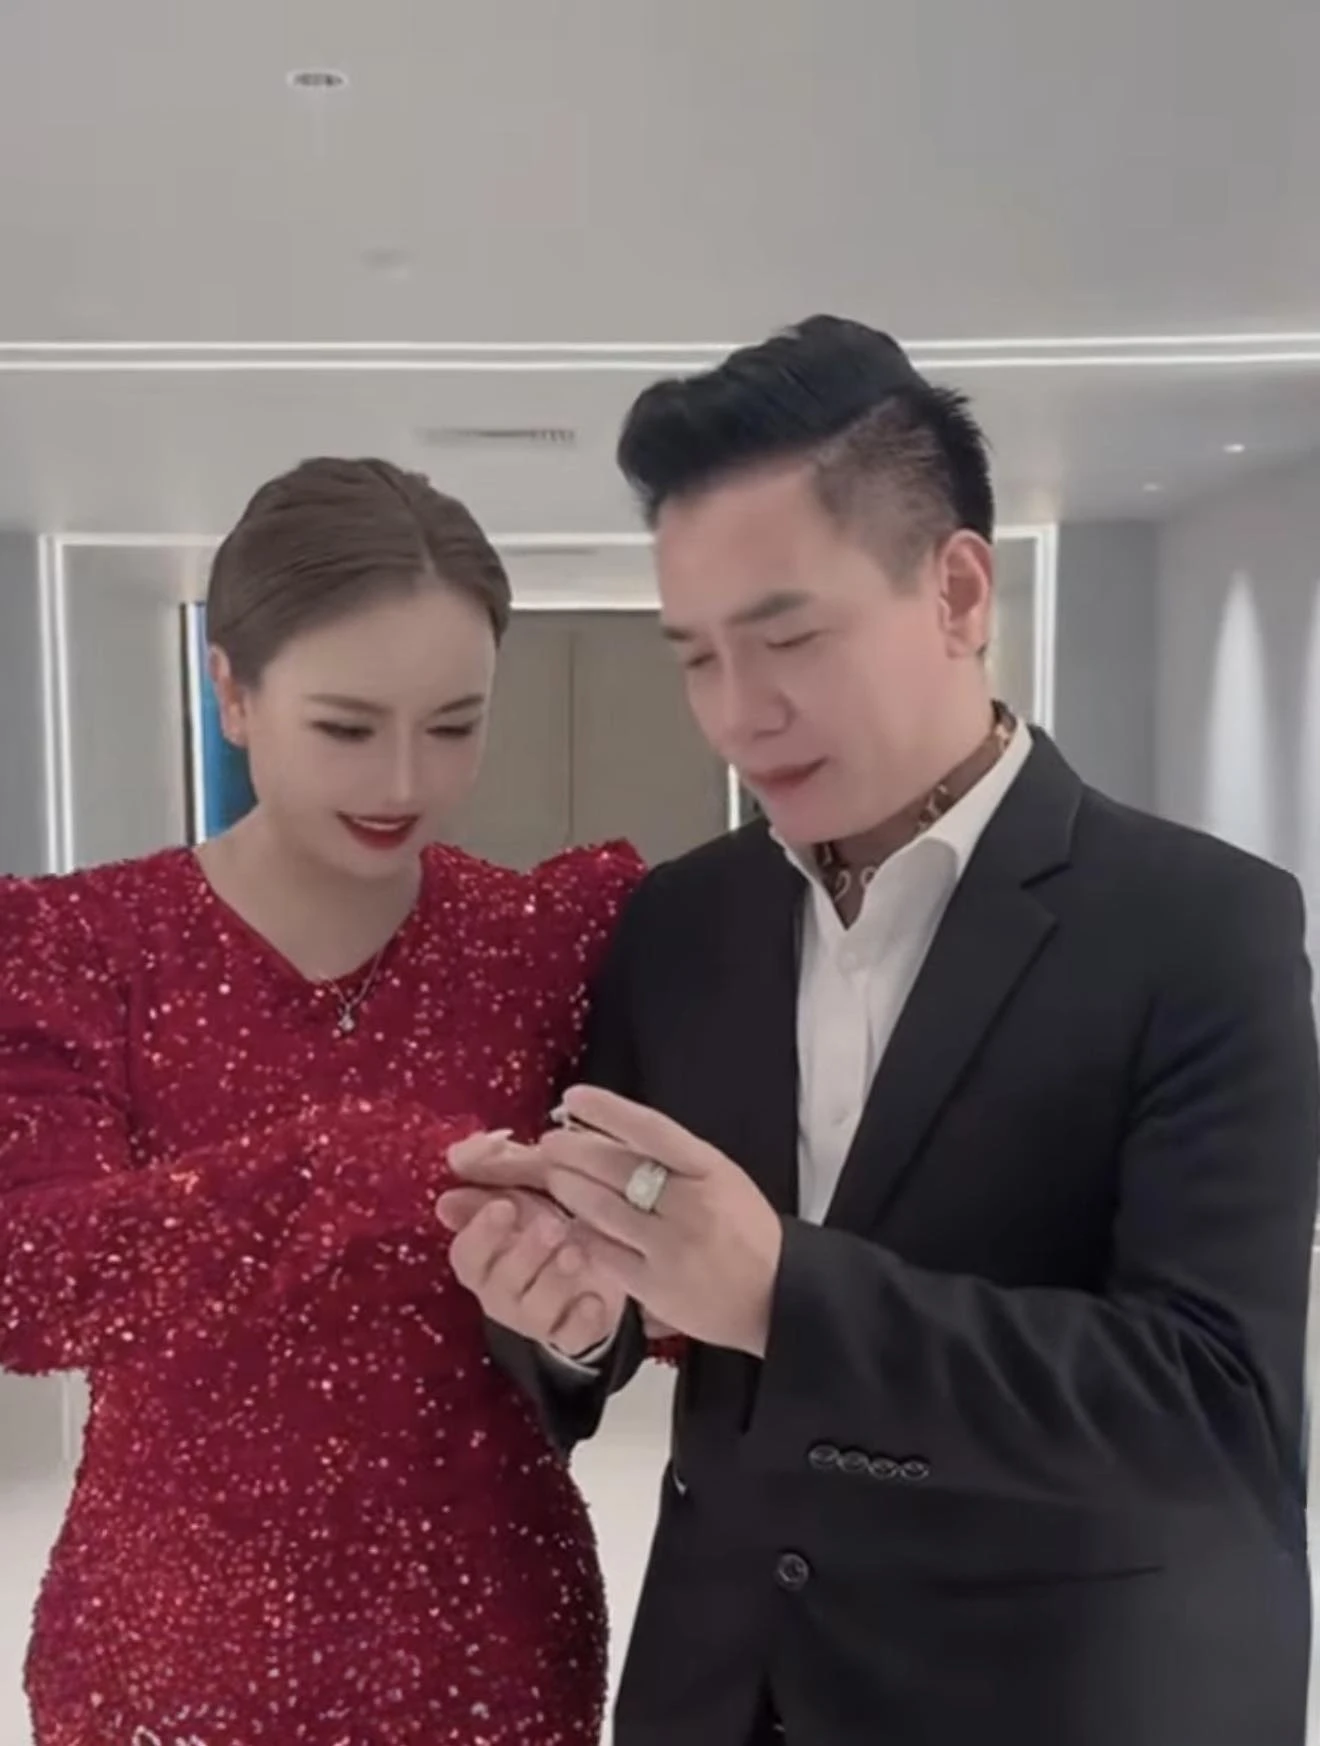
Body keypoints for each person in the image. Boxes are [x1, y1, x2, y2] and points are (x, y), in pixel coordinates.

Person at [440, 317, 1320, 1746]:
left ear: (958, 590)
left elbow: (1211, 1412)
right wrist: (571, 1310)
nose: (738, 714)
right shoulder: (681, 922)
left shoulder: (1201, 927)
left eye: (789, 637)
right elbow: (622, 1296)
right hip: (719, 1694)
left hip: (1051, 1699)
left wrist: (783, 1296)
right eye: (696, 657)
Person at [0, 457, 643, 1746]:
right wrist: (347, 1164)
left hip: (484, 1639)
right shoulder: (83, 948)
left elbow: (639, 1279)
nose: (405, 779)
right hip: (170, 1652)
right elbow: (32, 1285)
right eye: (347, 727)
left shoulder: (544, 942)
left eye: (453, 725)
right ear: (232, 692)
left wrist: (586, 1318)